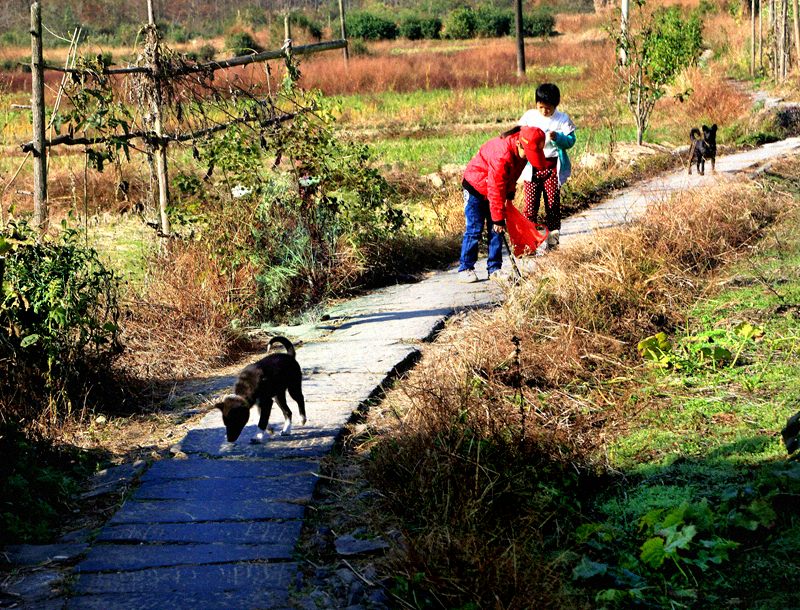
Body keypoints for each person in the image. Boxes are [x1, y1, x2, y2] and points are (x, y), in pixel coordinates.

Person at [457, 125, 548, 283]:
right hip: (476, 188)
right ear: (520, 144)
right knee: (474, 229)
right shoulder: (502, 155)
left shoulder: (521, 154)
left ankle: (494, 269)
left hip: (493, 190)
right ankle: (465, 268)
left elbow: (511, 176)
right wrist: (498, 217)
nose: (529, 158)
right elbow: (495, 187)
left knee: (496, 231)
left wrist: (510, 193)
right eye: (529, 153)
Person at [518, 83, 576, 251]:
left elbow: (570, 141)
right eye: (541, 107)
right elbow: (519, 135)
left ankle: (553, 243)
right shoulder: (530, 117)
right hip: (533, 168)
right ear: (536, 104)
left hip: (552, 168)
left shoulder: (562, 120)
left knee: (552, 206)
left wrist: (558, 138)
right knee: (530, 208)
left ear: (555, 105)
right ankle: (529, 243)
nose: (544, 111)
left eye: (548, 108)